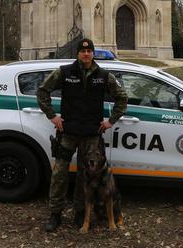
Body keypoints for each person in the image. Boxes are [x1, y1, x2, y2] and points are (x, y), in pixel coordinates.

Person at [36, 38, 128, 232]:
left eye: (89, 51)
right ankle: (55, 214)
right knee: (59, 173)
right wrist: (52, 117)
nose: (86, 54)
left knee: (83, 177)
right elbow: (42, 91)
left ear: (93, 53)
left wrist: (110, 121)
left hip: (92, 136)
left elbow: (122, 97)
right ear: (78, 53)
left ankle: (80, 213)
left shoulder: (103, 75)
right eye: (82, 51)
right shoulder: (64, 72)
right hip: (67, 132)